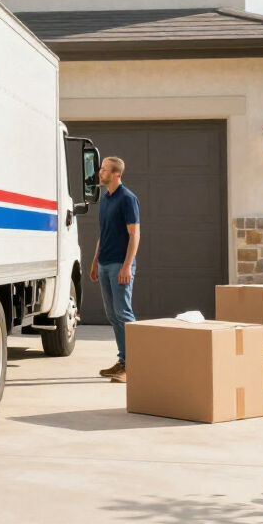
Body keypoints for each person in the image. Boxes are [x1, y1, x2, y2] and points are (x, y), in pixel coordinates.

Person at [92, 156, 141, 384]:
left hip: (120, 266)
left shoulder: (128, 199)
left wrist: (127, 266)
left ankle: (133, 365)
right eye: (101, 169)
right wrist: (94, 262)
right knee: (113, 315)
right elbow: (103, 234)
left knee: (124, 314)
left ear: (116, 175)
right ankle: (123, 361)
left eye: (104, 170)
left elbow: (134, 234)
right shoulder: (105, 199)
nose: (100, 172)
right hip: (104, 264)